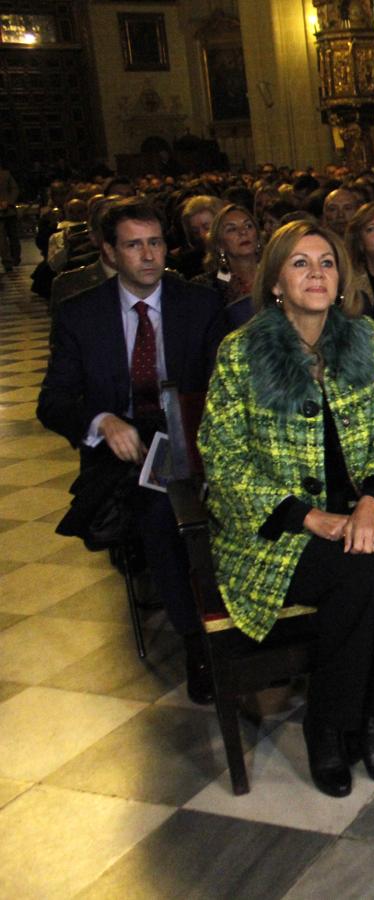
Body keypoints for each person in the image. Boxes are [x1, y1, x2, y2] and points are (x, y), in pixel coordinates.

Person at [198, 219, 374, 798]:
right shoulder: (242, 352)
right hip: (276, 529)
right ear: (277, 280)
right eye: (301, 263)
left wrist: (369, 504)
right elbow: (223, 459)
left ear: (343, 277)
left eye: (328, 262)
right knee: (358, 579)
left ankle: (370, 714)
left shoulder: (366, 339)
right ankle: (327, 727)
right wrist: (309, 518)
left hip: (358, 511)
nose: (318, 274)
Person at [38, 198, 226, 704]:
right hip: (125, 449)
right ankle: (197, 641)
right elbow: (52, 402)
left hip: (194, 433)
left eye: (156, 243)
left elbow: (224, 384)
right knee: (163, 512)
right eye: (134, 245)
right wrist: (101, 421)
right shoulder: (82, 314)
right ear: (110, 252)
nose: (148, 255)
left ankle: (243, 618)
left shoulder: (200, 304)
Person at [190, 204, 261, 331]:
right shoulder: (208, 286)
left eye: (248, 226)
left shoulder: (277, 274)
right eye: (231, 229)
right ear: (219, 244)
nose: (243, 232)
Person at [168, 195, 222, 279]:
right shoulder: (190, 263)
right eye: (195, 231)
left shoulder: (237, 252)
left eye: (207, 228)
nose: (202, 235)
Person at [0, 161, 21, 271]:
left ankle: (15, 258)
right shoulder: (6, 174)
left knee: (14, 236)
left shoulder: (6, 174)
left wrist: (8, 202)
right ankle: (7, 261)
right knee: (2, 238)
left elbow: (15, 189)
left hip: (9, 210)